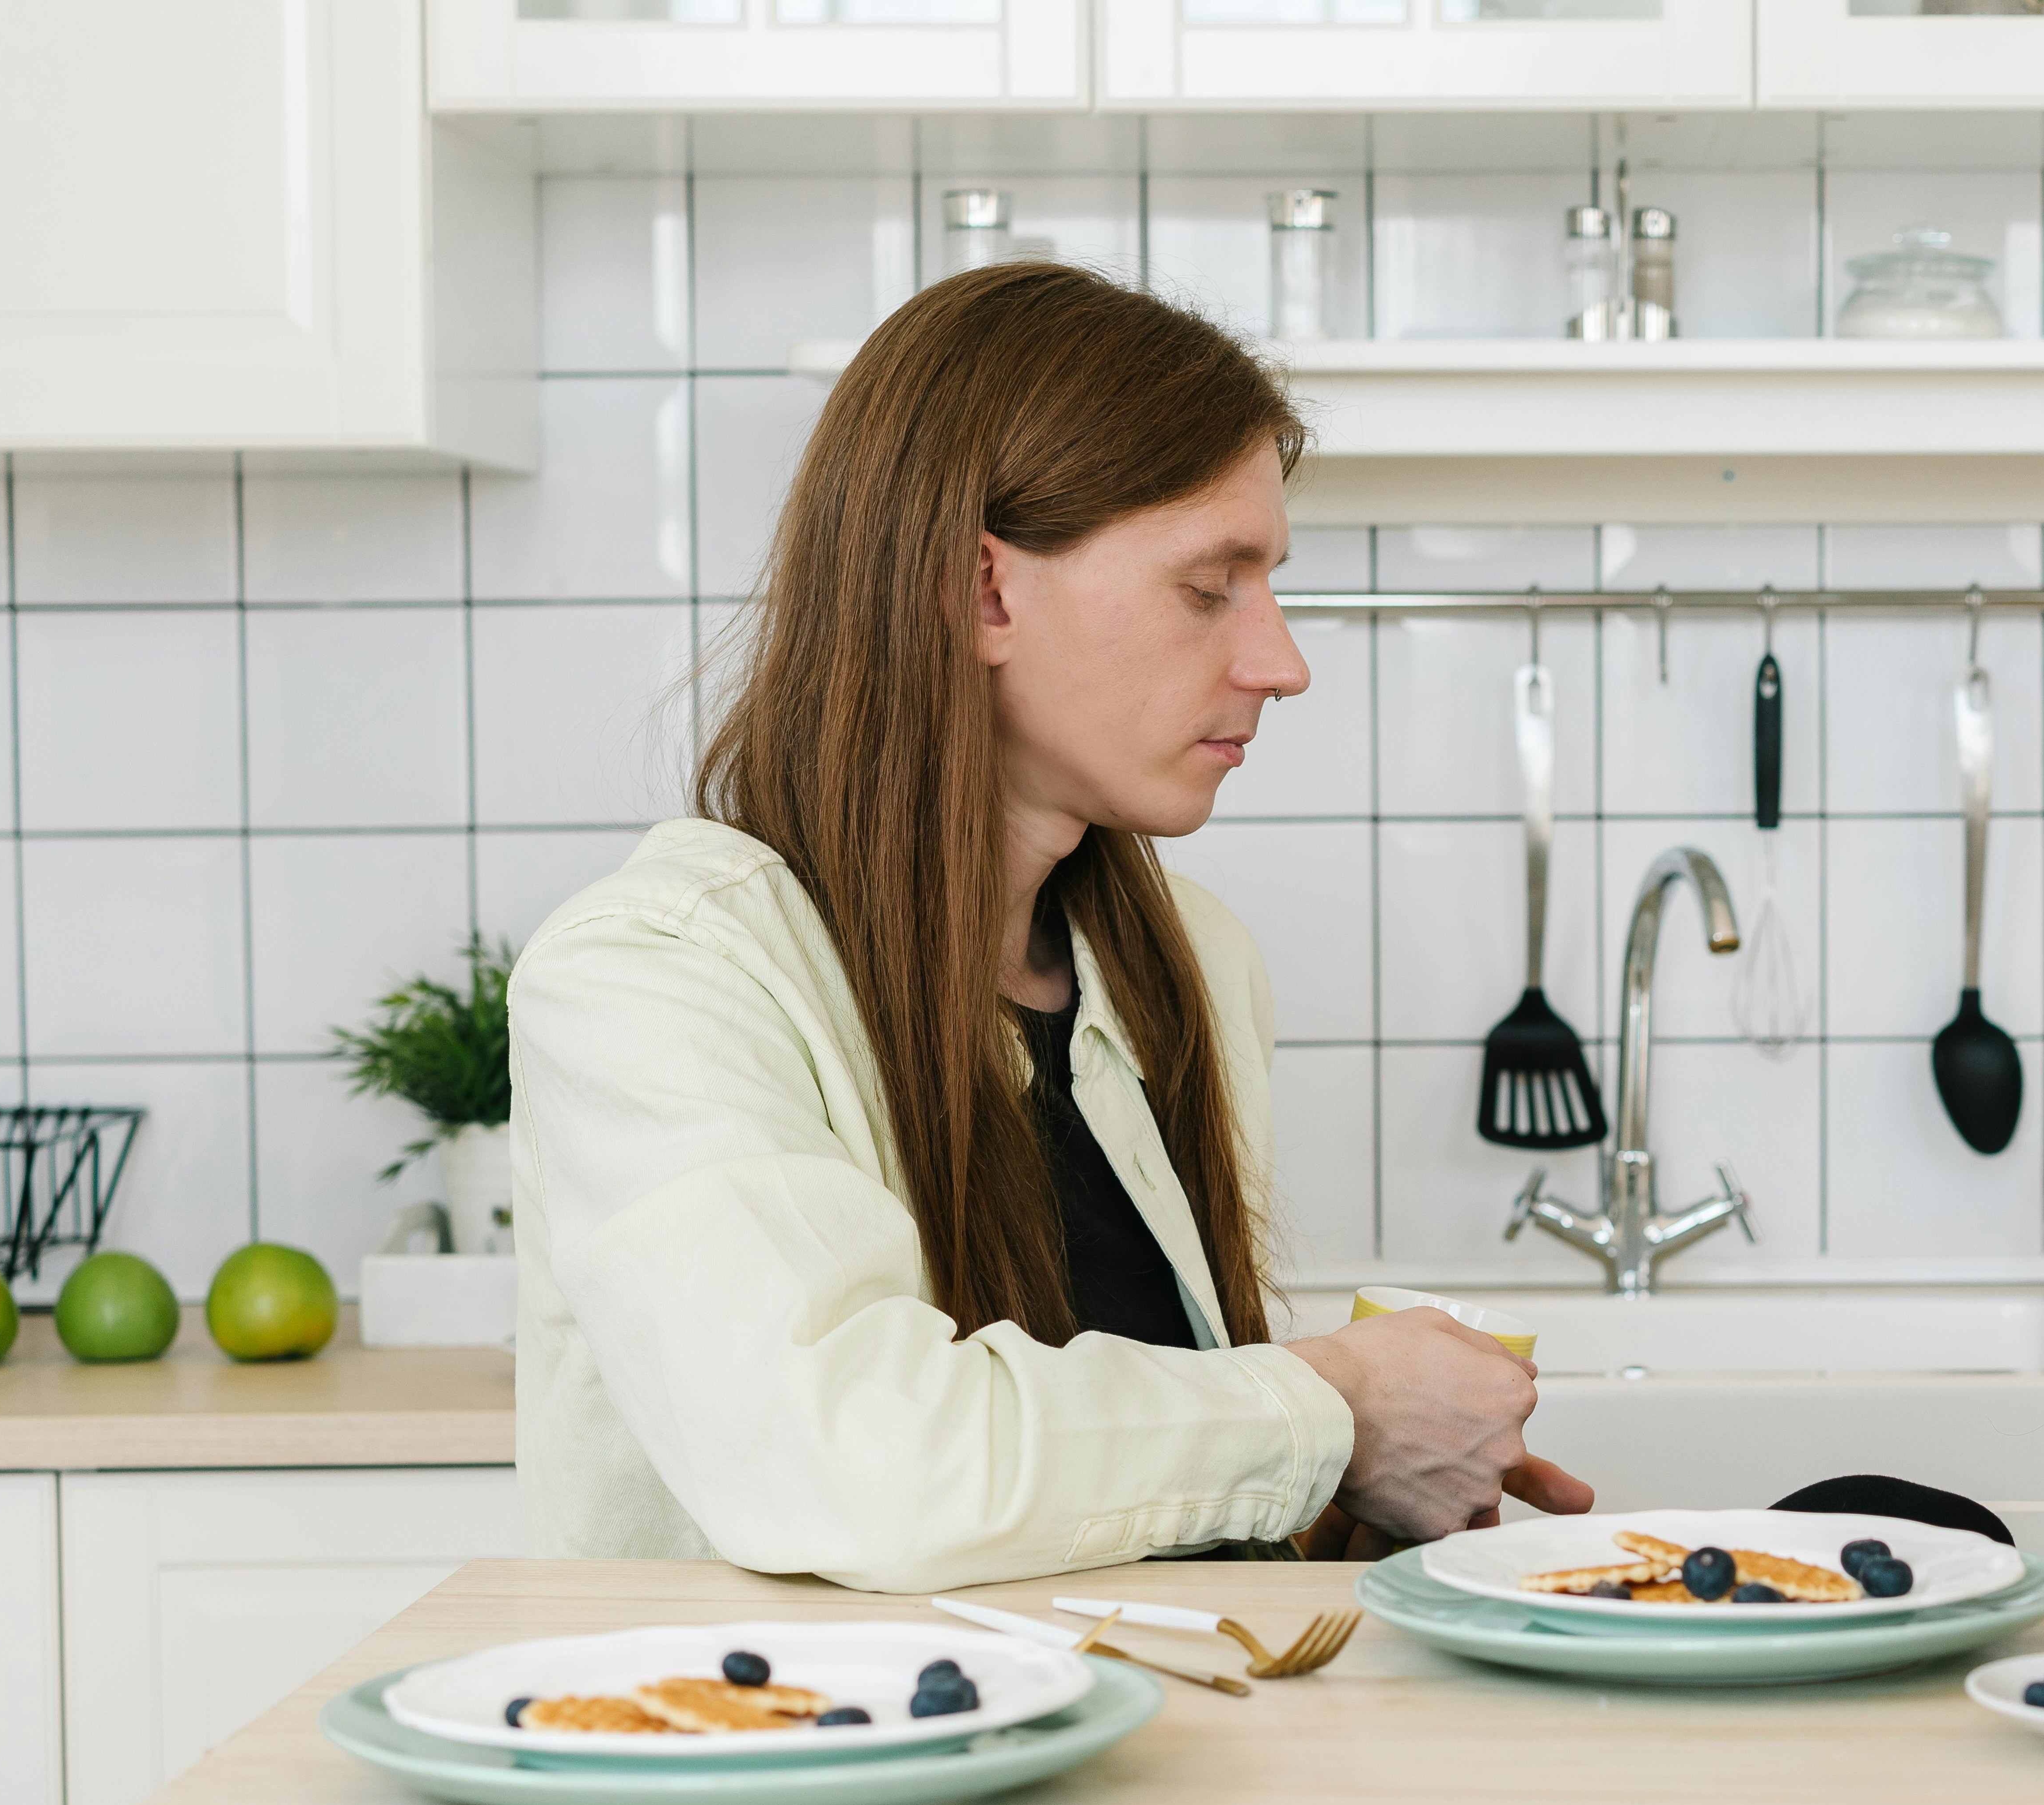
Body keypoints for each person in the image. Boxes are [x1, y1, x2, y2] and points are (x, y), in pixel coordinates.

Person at [507, 262, 1586, 1595]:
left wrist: (1347, 1493)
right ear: (983, 592)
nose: (1282, 660)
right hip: (802, 1773)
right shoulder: (658, 979)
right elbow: (859, 1467)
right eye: (1212, 586)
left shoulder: (1188, 961)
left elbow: (1131, 1497)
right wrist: (1333, 1410)